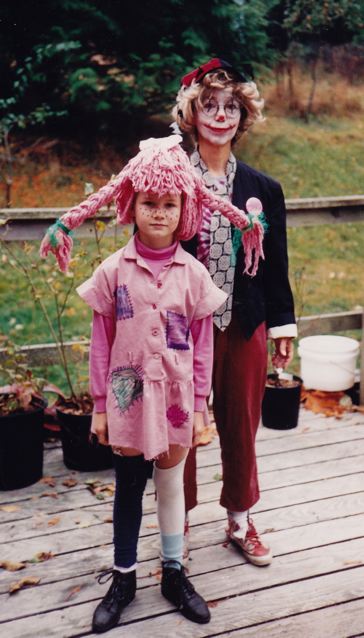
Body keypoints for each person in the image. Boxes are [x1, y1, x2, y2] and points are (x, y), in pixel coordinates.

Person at [40, 135, 266, 632]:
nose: (159, 214)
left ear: (183, 209)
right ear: (133, 204)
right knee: (127, 487)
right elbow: (102, 341)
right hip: (126, 398)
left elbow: (203, 347)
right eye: (149, 203)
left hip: (179, 402)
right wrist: (99, 405)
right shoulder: (113, 272)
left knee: (170, 486)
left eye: (169, 205)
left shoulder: (193, 276)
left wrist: (202, 405)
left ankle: (173, 570)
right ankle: (124, 576)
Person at [172, 58, 297, 567]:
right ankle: (173, 524)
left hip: (244, 319)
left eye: (231, 107)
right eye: (209, 105)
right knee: (181, 423)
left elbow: (277, 263)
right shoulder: (171, 175)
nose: (220, 115)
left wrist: (283, 324)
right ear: (192, 113)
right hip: (182, 325)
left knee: (241, 421)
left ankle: (240, 520)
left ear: (243, 117)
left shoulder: (263, 189)